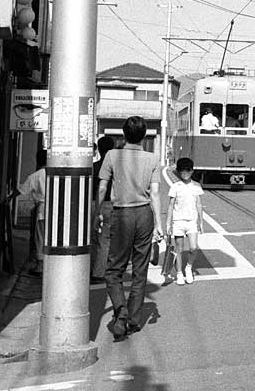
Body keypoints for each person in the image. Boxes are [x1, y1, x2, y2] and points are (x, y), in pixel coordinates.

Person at [96, 116, 164, 341]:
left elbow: (103, 186)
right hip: (144, 214)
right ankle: (133, 320)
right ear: (144, 136)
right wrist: (159, 224)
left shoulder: (112, 155)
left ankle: (120, 310)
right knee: (140, 269)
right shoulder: (152, 159)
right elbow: (154, 193)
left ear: (123, 134)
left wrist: (97, 213)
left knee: (114, 270)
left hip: (121, 214)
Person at [166, 157, 204, 285]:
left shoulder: (196, 186)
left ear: (192, 171)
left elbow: (199, 204)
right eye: (182, 171)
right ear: (178, 172)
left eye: (188, 171)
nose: (185, 173)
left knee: (194, 247)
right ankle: (179, 274)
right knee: (179, 249)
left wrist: (201, 222)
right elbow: (170, 205)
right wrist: (168, 223)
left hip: (191, 221)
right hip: (178, 221)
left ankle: (188, 267)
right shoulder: (175, 187)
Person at [90, 135, 116, 284]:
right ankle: (99, 272)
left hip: (92, 203)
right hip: (109, 205)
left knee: (92, 239)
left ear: (98, 149)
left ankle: (92, 268)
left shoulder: (93, 167)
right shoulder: (115, 169)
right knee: (104, 240)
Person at [19, 149, 47, 275]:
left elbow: (22, 190)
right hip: (57, 210)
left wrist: (8, 199)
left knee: (40, 237)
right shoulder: (56, 174)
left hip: (42, 210)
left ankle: (40, 266)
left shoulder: (36, 175)